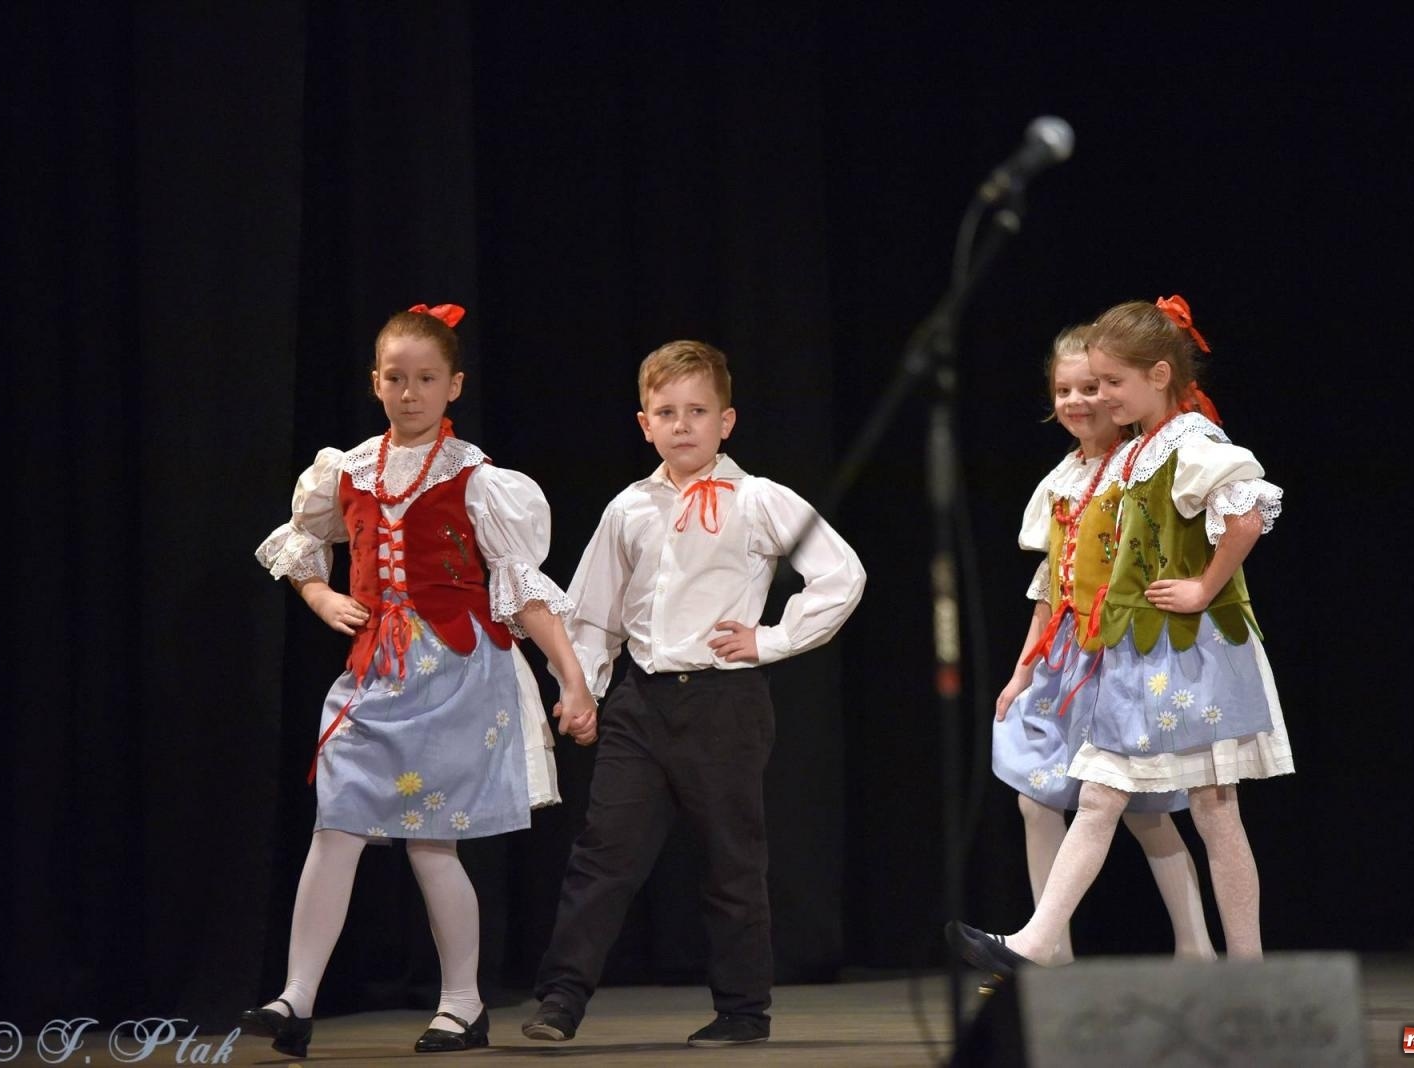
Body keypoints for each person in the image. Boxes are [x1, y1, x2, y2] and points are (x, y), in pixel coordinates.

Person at [243, 303, 596, 1058]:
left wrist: (572, 678)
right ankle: (296, 995)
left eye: (426, 379)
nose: (410, 392)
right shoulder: (348, 471)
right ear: (376, 383)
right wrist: (320, 594)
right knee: (335, 823)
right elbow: (304, 545)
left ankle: (463, 1004)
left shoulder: (474, 479)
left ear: (453, 384)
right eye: (396, 378)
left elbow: (522, 588)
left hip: (457, 674)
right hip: (376, 673)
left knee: (430, 844)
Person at [521, 339, 866, 1048]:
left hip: (724, 704)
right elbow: (595, 612)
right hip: (642, 704)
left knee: (730, 860)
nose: (682, 425)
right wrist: (580, 689)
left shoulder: (759, 498)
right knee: (604, 853)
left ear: (726, 422)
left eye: (697, 411)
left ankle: (743, 1010)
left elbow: (841, 574)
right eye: (666, 412)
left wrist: (771, 639)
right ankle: (560, 998)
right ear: (645, 423)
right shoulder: (629, 509)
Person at [949, 296, 1291, 975]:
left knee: (1215, 810)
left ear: (1159, 375)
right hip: (1145, 651)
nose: (1101, 396)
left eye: (1111, 383)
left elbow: (1249, 511)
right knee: (1113, 794)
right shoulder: (1136, 453)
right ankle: (1041, 942)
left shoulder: (1191, 442)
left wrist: (1204, 585)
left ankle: (1243, 967)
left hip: (1194, 651)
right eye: (1091, 384)